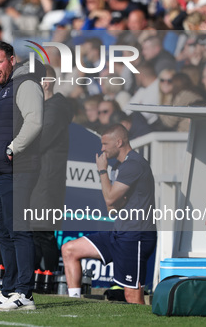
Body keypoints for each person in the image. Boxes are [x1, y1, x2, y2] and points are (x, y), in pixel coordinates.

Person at [0, 41, 43, 311]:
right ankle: (8, 290)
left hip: (18, 169)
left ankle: (25, 294)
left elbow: (35, 121)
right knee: (3, 233)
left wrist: (13, 148)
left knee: (19, 231)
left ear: (12, 60)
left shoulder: (26, 84)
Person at [61, 124, 157, 304]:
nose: (102, 149)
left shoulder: (134, 164)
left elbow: (111, 199)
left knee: (132, 295)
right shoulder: (121, 166)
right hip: (120, 233)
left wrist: (102, 171)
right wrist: (113, 199)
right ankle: (74, 302)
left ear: (119, 142)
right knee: (69, 249)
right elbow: (112, 208)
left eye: (105, 144)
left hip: (135, 236)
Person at [30, 65, 74, 272]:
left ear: (46, 83)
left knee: (42, 233)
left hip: (46, 183)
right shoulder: (45, 108)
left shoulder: (54, 110)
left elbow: (38, 142)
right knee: (34, 233)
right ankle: (38, 278)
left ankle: (50, 279)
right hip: (39, 182)